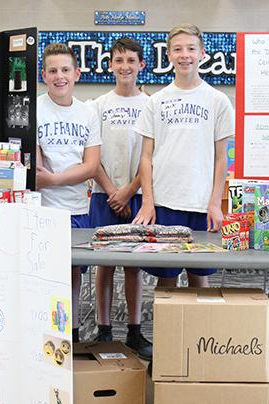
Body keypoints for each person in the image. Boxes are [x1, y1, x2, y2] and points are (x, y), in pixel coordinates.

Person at [133, 23, 235, 287]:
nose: (184, 54)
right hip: (165, 203)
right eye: (177, 49)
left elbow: (221, 158)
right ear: (168, 55)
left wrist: (215, 202)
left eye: (191, 48)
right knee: (166, 279)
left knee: (199, 279)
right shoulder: (155, 101)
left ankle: (196, 330)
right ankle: (168, 330)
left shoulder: (218, 100)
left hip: (201, 204)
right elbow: (146, 157)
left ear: (202, 53)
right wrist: (148, 201)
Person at [89, 37, 151, 360]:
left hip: (139, 197)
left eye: (131, 60)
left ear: (142, 64)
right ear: (110, 64)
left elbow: (151, 158)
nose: (124, 66)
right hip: (104, 195)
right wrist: (113, 191)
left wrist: (129, 190)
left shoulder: (151, 105)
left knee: (134, 267)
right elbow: (92, 156)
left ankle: (134, 330)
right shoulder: (98, 106)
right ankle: (103, 329)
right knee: (105, 264)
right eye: (118, 60)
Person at [35, 42, 101, 343]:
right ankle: (48, 334)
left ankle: (72, 333)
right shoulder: (34, 109)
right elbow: (34, 175)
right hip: (42, 210)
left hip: (77, 210)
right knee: (45, 276)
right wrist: (49, 181)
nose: (59, 76)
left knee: (74, 274)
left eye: (65, 70)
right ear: (43, 75)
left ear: (76, 73)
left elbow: (90, 167)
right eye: (52, 71)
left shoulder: (87, 114)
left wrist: (55, 179)